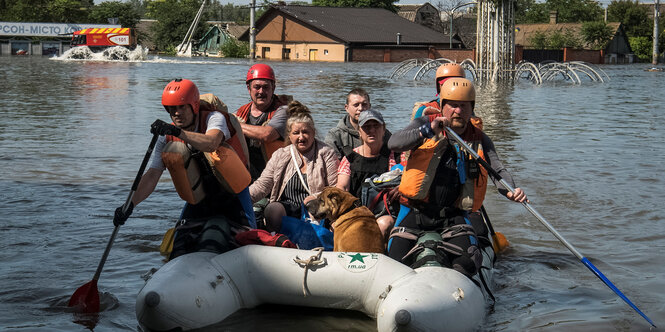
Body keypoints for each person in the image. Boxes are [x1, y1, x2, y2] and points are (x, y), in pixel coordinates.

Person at [387, 78, 527, 277]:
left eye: (464, 106)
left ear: (472, 109)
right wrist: (429, 130)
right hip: (416, 212)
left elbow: (498, 170)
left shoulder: (480, 138)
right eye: (452, 105)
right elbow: (394, 142)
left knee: (469, 261)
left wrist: (512, 191)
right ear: (443, 106)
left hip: (453, 216)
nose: (458, 111)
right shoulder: (425, 124)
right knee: (392, 261)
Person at [112, 78, 255, 258]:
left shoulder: (214, 118)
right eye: (171, 109)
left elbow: (211, 143)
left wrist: (178, 132)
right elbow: (153, 175)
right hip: (200, 197)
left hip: (234, 196)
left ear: (194, 106)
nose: (176, 113)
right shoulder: (167, 137)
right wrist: (130, 204)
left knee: (248, 240)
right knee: (177, 250)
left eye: (181, 107)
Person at [249, 101, 339, 232]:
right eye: (296, 133)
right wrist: (242, 199)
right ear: (289, 136)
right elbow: (263, 185)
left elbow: (334, 189)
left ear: (313, 133)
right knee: (272, 209)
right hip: (287, 210)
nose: (301, 137)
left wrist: (315, 197)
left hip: (316, 211)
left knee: (315, 209)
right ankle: (277, 240)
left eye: (305, 132)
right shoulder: (280, 155)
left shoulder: (326, 154)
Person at [336, 109, 402, 239]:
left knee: (383, 224)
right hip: (357, 211)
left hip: (386, 213)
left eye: (376, 126)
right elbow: (342, 187)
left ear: (384, 129)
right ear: (359, 132)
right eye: (366, 127)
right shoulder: (350, 157)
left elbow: (410, 180)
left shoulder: (397, 155)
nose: (371, 130)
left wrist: (402, 187)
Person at [235, 64, 291, 181]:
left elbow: (267, 135)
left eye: (266, 87)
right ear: (248, 88)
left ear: (273, 88)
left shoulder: (284, 111)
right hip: (248, 178)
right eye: (257, 87)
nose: (261, 91)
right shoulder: (240, 113)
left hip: (277, 179)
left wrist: (233, 124)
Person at [325, 88, 391, 160]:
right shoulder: (335, 135)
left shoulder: (383, 134)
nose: (360, 108)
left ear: (370, 106)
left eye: (364, 104)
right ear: (346, 108)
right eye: (356, 105)